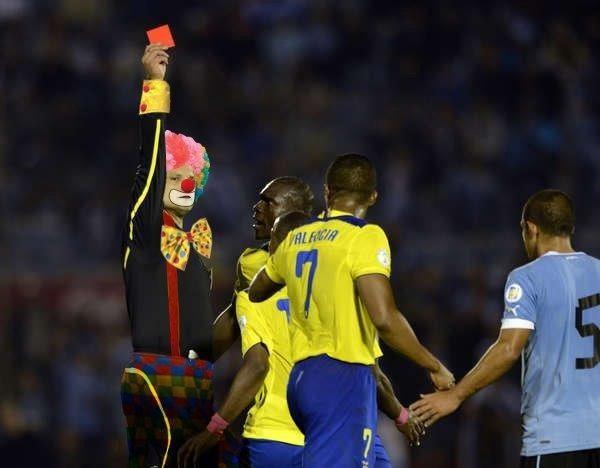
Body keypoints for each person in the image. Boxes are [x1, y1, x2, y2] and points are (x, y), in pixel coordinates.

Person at [180, 177, 423, 467]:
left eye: (267, 203)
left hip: (287, 430)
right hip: (325, 425)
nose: (256, 208)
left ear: (290, 213)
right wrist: (189, 360)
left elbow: (253, 353)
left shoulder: (270, 273)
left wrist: (208, 412)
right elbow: (234, 319)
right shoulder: (255, 265)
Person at [249, 154, 453, 467]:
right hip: (341, 377)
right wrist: (433, 365)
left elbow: (257, 290)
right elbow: (384, 318)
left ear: (327, 192)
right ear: (373, 197)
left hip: (302, 379)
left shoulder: (296, 238)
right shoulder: (365, 236)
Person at [411, 189, 600, 468]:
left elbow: (509, 348)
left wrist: (455, 395)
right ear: (569, 228)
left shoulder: (527, 277)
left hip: (555, 437)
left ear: (531, 228)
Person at [120, 44, 236, 468]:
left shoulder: (199, 246)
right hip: (158, 377)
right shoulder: (147, 229)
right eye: (175, 177)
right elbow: (149, 165)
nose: (185, 185)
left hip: (197, 382)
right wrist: (155, 86)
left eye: (191, 178)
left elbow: (200, 337)